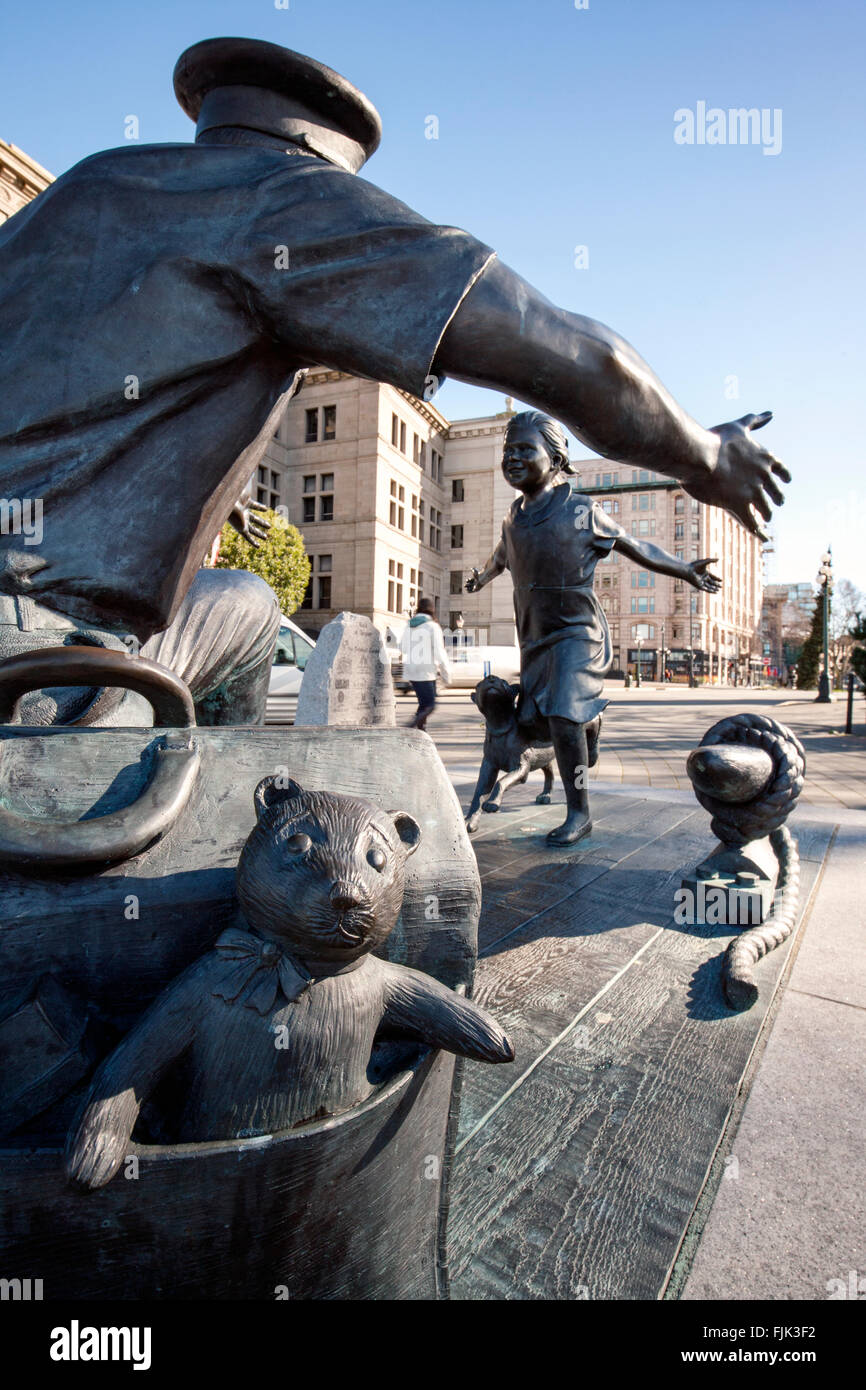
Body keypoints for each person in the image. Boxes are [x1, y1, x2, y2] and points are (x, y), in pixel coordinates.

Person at [0, 36, 786, 724]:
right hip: (41, 654)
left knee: (235, 596)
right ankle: (184, 823)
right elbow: (564, 348)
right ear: (322, 154)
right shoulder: (284, 195)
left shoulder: (88, 186)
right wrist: (704, 454)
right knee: (249, 611)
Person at [466, 411, 722, 845]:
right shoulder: (513, 517)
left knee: (563, 714)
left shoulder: (581, 511)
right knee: (535, 720)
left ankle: (579, 812)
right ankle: (591, 724)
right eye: (508, 450)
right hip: (535, 637)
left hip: (576, 633)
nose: (512, 457)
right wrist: (482, 578)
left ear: (555, 459)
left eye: (524, 449)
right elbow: (500, 556)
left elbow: (633, 545)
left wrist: (684, 569)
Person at [399, 599, 451, 731]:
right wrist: (446, 674)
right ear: (432, 609)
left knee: (424, 704)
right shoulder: (432, 626)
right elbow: (439, 652)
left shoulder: (409, 625)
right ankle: (409, 729)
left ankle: (421, 731)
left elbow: (402, 648)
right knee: (430, 705)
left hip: (411, 670)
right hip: (426, 671)